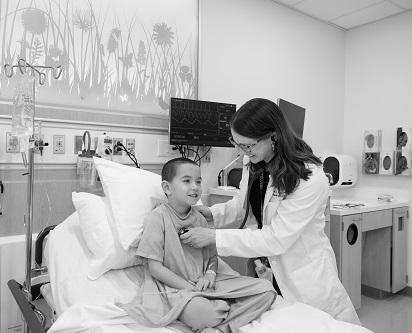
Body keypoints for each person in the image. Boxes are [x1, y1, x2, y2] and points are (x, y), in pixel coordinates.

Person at [180, 98, 361, 325]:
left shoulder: (309, 177)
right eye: (237, 143)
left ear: (273, 137)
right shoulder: (253, 162)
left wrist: (213, 237)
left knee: (314, 325)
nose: (242, 151)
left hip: (301, 276)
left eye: (248, 145)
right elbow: (242, 205)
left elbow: (277, 238)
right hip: (265, 270)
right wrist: (209, 214)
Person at [117, 158, 277, 333]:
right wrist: (191, 289)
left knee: (266, 290)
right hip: (175, 286)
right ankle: (219, 313)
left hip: (205, 283)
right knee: (207, 314)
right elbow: (155, 268)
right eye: (186, 181)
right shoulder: (158, 217)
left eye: (198, 181)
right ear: (167, 188)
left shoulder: (201, 218)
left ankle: (221, 328)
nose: (195, 186)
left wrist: (209, 275)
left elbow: (212, 257)